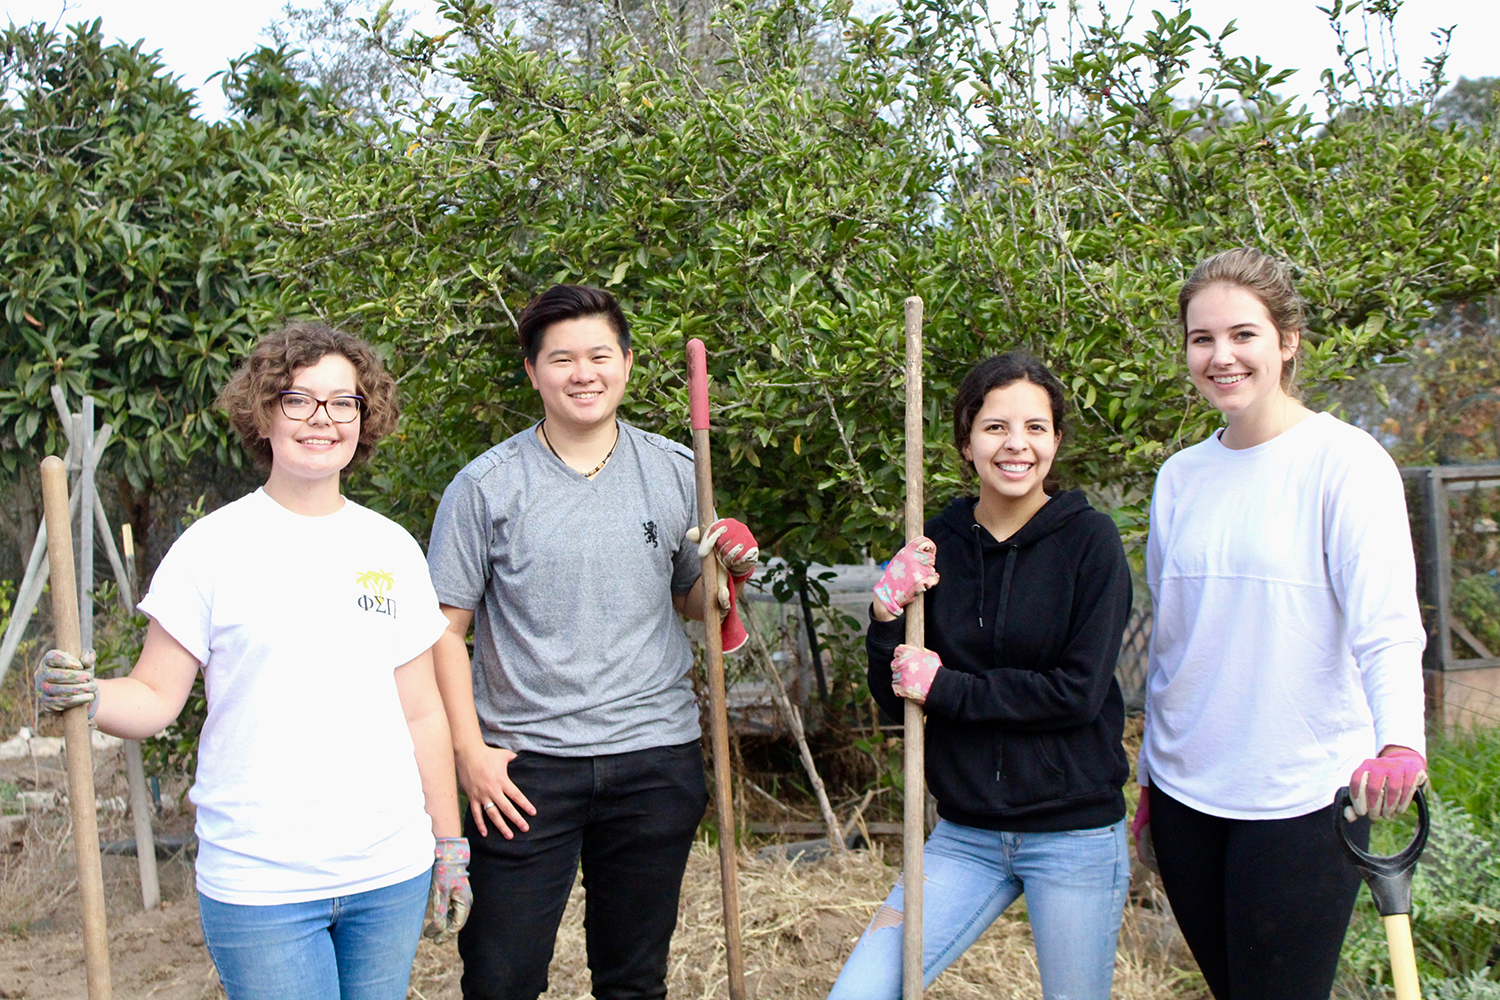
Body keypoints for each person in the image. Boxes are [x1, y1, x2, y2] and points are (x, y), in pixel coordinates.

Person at [33, 323, 470, 1000]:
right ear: (265, 412)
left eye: (343, 403)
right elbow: (153, 696)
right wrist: (86, 695)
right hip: (262, 883)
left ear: (365, 416)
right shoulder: (212, 549)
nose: (322, 419)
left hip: (389, 872)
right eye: (298, 400)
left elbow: (421, 713)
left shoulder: (390, 549)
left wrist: (450, 844)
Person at [426, 283, 759, 1000]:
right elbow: (443, 635)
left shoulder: (677, 470)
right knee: (499, 979)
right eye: (562, 358)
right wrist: (469, 755)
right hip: (522, 770)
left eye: (600, 355)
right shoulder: (486, 485)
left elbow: (690, 601)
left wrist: (726, 577)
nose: (584, 373)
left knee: (634, 981)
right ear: (532, 371)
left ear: (628, 364)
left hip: (653, 759)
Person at [1134, 247, 1428, 1000]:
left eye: (1243, 335)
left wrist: (1399, 740)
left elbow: (1387, 624)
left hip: (1301, 799)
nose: (1220, 356)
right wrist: (1146, 780)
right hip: (1186, 797)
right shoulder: (1180, 479)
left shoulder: (1345, 464)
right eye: (1202, 339)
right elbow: (1172, 644)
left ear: (1287, 340)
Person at [828, 352, 1134, 1000]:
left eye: (1035, 427)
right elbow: (897, 699)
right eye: (995, 427)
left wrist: (949, 688)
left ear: (1056, 440)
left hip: (1074, 834)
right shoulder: (938, 543)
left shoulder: (1091, 543)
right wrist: (886, 617)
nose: (1016, 445)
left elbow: (1077, 693)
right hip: (965, 834)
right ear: (966, 442)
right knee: (859, 994)